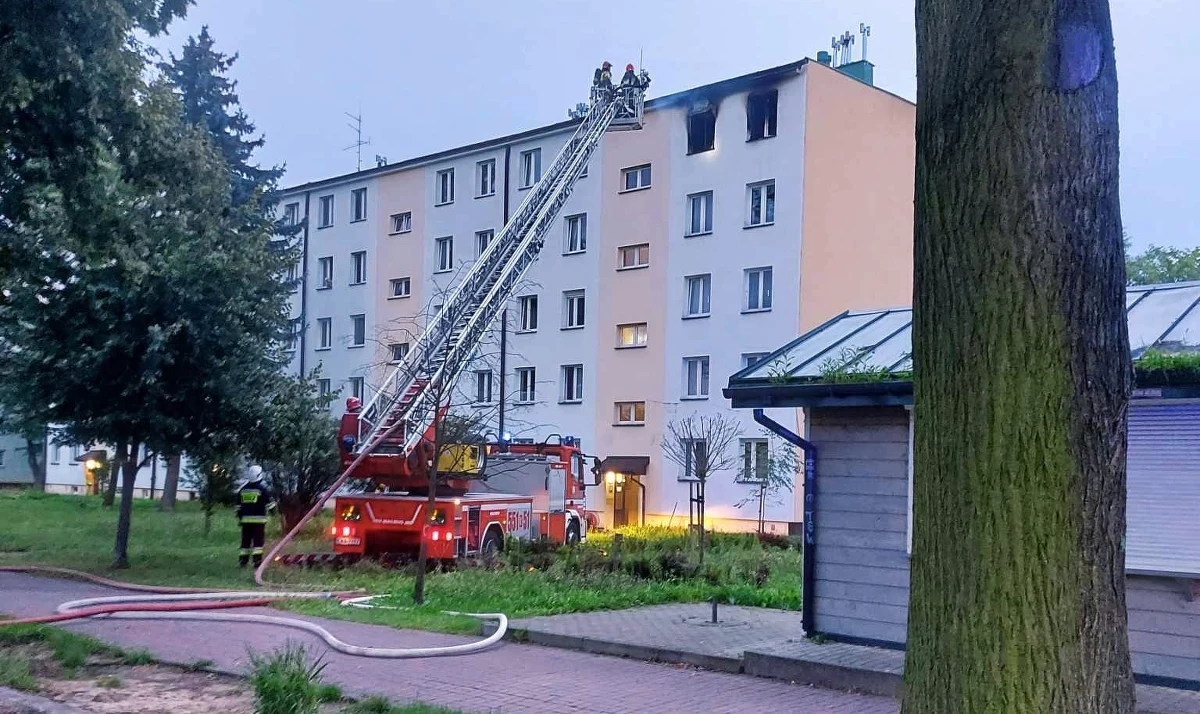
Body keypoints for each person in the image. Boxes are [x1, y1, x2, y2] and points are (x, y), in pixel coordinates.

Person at [236, 465, 273, 567]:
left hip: (245, 522)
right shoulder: (261, 489)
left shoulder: (242, 490)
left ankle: (242, 562)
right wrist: (274, 513)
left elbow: (238, 507)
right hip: (258, 522)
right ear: (259, 475)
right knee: (258, 544)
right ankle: (257, 562)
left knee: (245, 543)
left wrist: (240, 518)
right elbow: (270, 505)